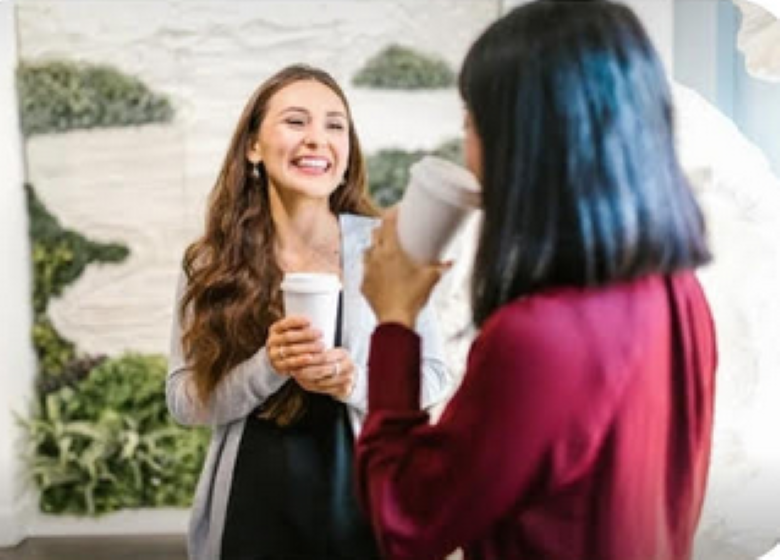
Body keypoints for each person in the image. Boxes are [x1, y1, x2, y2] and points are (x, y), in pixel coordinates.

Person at [357, 2, 717, 560]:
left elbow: (406, 522)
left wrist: (394, 322)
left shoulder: (540, 338)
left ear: (524, 144)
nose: (469, 151)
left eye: (471, 123)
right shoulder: (679, 293)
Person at [166, 64, 452, 560]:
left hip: (361, 514)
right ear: (253, 146)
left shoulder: (387, 249)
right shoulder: (211, 263)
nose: (317, 138)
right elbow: (184, 401)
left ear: (347, 151)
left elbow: (433, 376)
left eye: (334, 125)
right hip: (249, 517)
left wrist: (353, 382)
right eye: (296, 121)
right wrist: (269, 366)